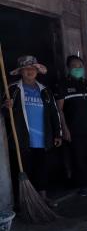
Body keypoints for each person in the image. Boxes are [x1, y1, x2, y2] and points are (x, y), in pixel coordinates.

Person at [2, 55, 62, 208]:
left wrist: (57, 133)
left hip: (42, 137)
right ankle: (25, 201)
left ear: (37, 71)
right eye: (26, 69)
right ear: (21, 72)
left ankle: (43, 198)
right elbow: (3, 112)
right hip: (22, 138)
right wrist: (5, 105)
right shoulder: (13, 89)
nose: (29, 71)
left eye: (32, 69)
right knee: (24, 169)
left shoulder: (45, 90)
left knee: (42, 168)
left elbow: (53, 113)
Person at [55, 55, 87, 197]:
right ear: (68, 68)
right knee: (78, 158)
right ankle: (82, 186)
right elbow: (59, 109)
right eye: (74, 66)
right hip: (73, 129)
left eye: (80, 66)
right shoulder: (63, 85)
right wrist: (64, 129)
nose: (78, 68)